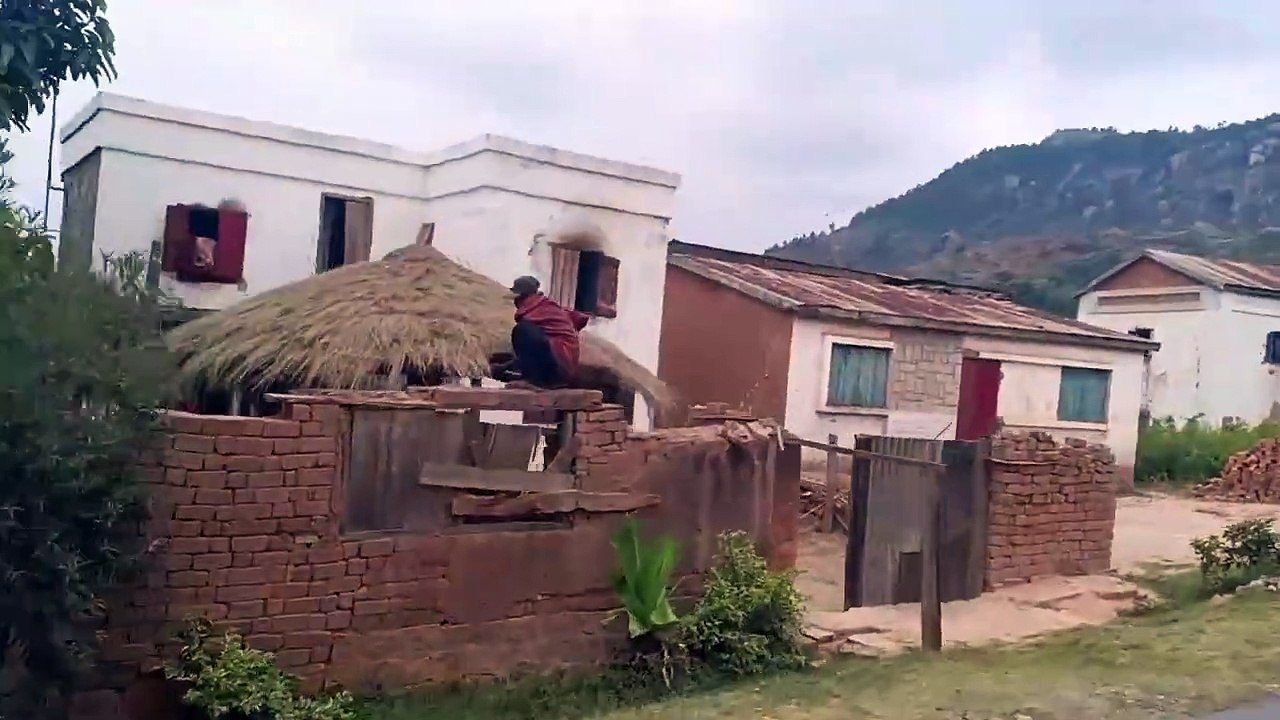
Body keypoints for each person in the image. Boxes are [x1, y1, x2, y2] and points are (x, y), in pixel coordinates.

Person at [493, 275, 589, 388]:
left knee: (522, 331)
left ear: (523, 297)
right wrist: (504, 368)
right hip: (561, 367)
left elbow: (533, 350)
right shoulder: (545, 306)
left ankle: (537, 381)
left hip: (559, 367)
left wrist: (504, 367)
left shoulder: (538, 310)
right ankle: (535, 378)